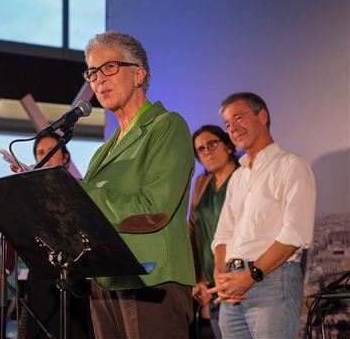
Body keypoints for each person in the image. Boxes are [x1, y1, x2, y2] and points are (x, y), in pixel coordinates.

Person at [78, 31, 196, 338]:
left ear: (139, 74)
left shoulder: (167, 125)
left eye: (109, 67)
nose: (99, 79)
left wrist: (79, 191)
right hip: (105, 280)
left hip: (152, 278)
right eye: (92, 72)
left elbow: (153, 207)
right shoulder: (104, 150)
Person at [208, 92, 316, 338]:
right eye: (227, 124)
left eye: (238, 118)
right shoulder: (238, 176)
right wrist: (221, 276)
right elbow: (223, 234)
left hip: (272, 282)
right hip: (232, 290)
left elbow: (294, 235)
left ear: (263, 116)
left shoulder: (292, 166)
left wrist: (251, 275)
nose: (232, 128)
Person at [18, 132, 93, 339]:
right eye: (40, 152)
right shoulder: (30, 190)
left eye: (51, 151)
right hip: (42, 274)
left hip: (75, 271)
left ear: (66, 157)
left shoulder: (80, 186)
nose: (45, 156)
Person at [188, 125, 238, 339]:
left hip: (239, 279)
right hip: (211, 284)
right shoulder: (201, 183)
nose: (207, 151)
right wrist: (196, 278)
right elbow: (193, 231)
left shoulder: (243, 176)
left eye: (212, 144)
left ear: (227, 146)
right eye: (200, 149)